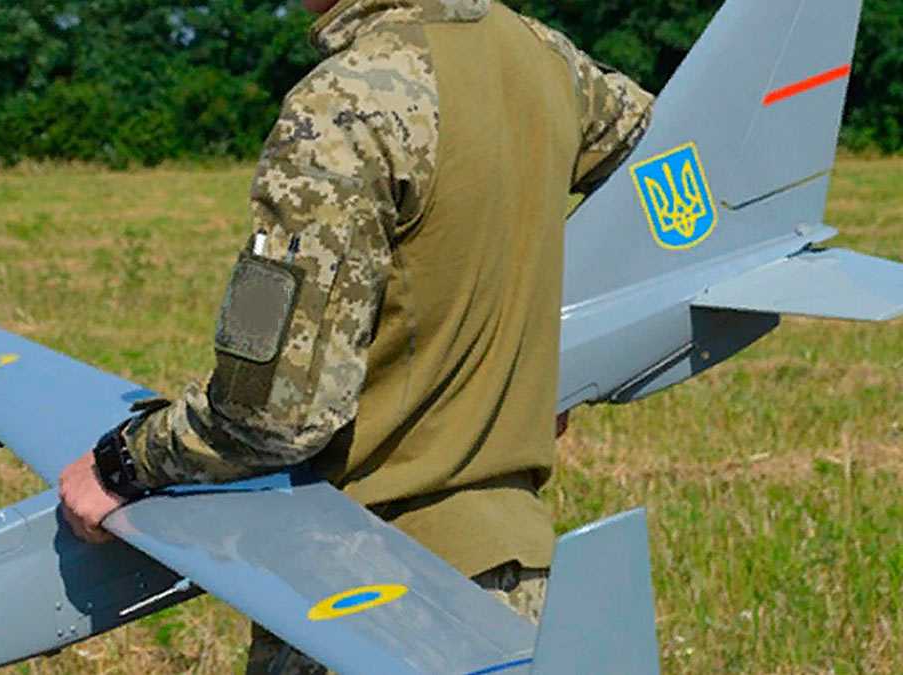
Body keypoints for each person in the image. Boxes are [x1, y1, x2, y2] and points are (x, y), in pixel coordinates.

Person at [59, 0, 653, 671]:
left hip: (363, 596)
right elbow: (667, 167)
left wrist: (125, 461)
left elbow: (273, 413)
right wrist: (539, 354)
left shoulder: (339, 106)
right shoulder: (544, 59)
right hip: (514, 594)